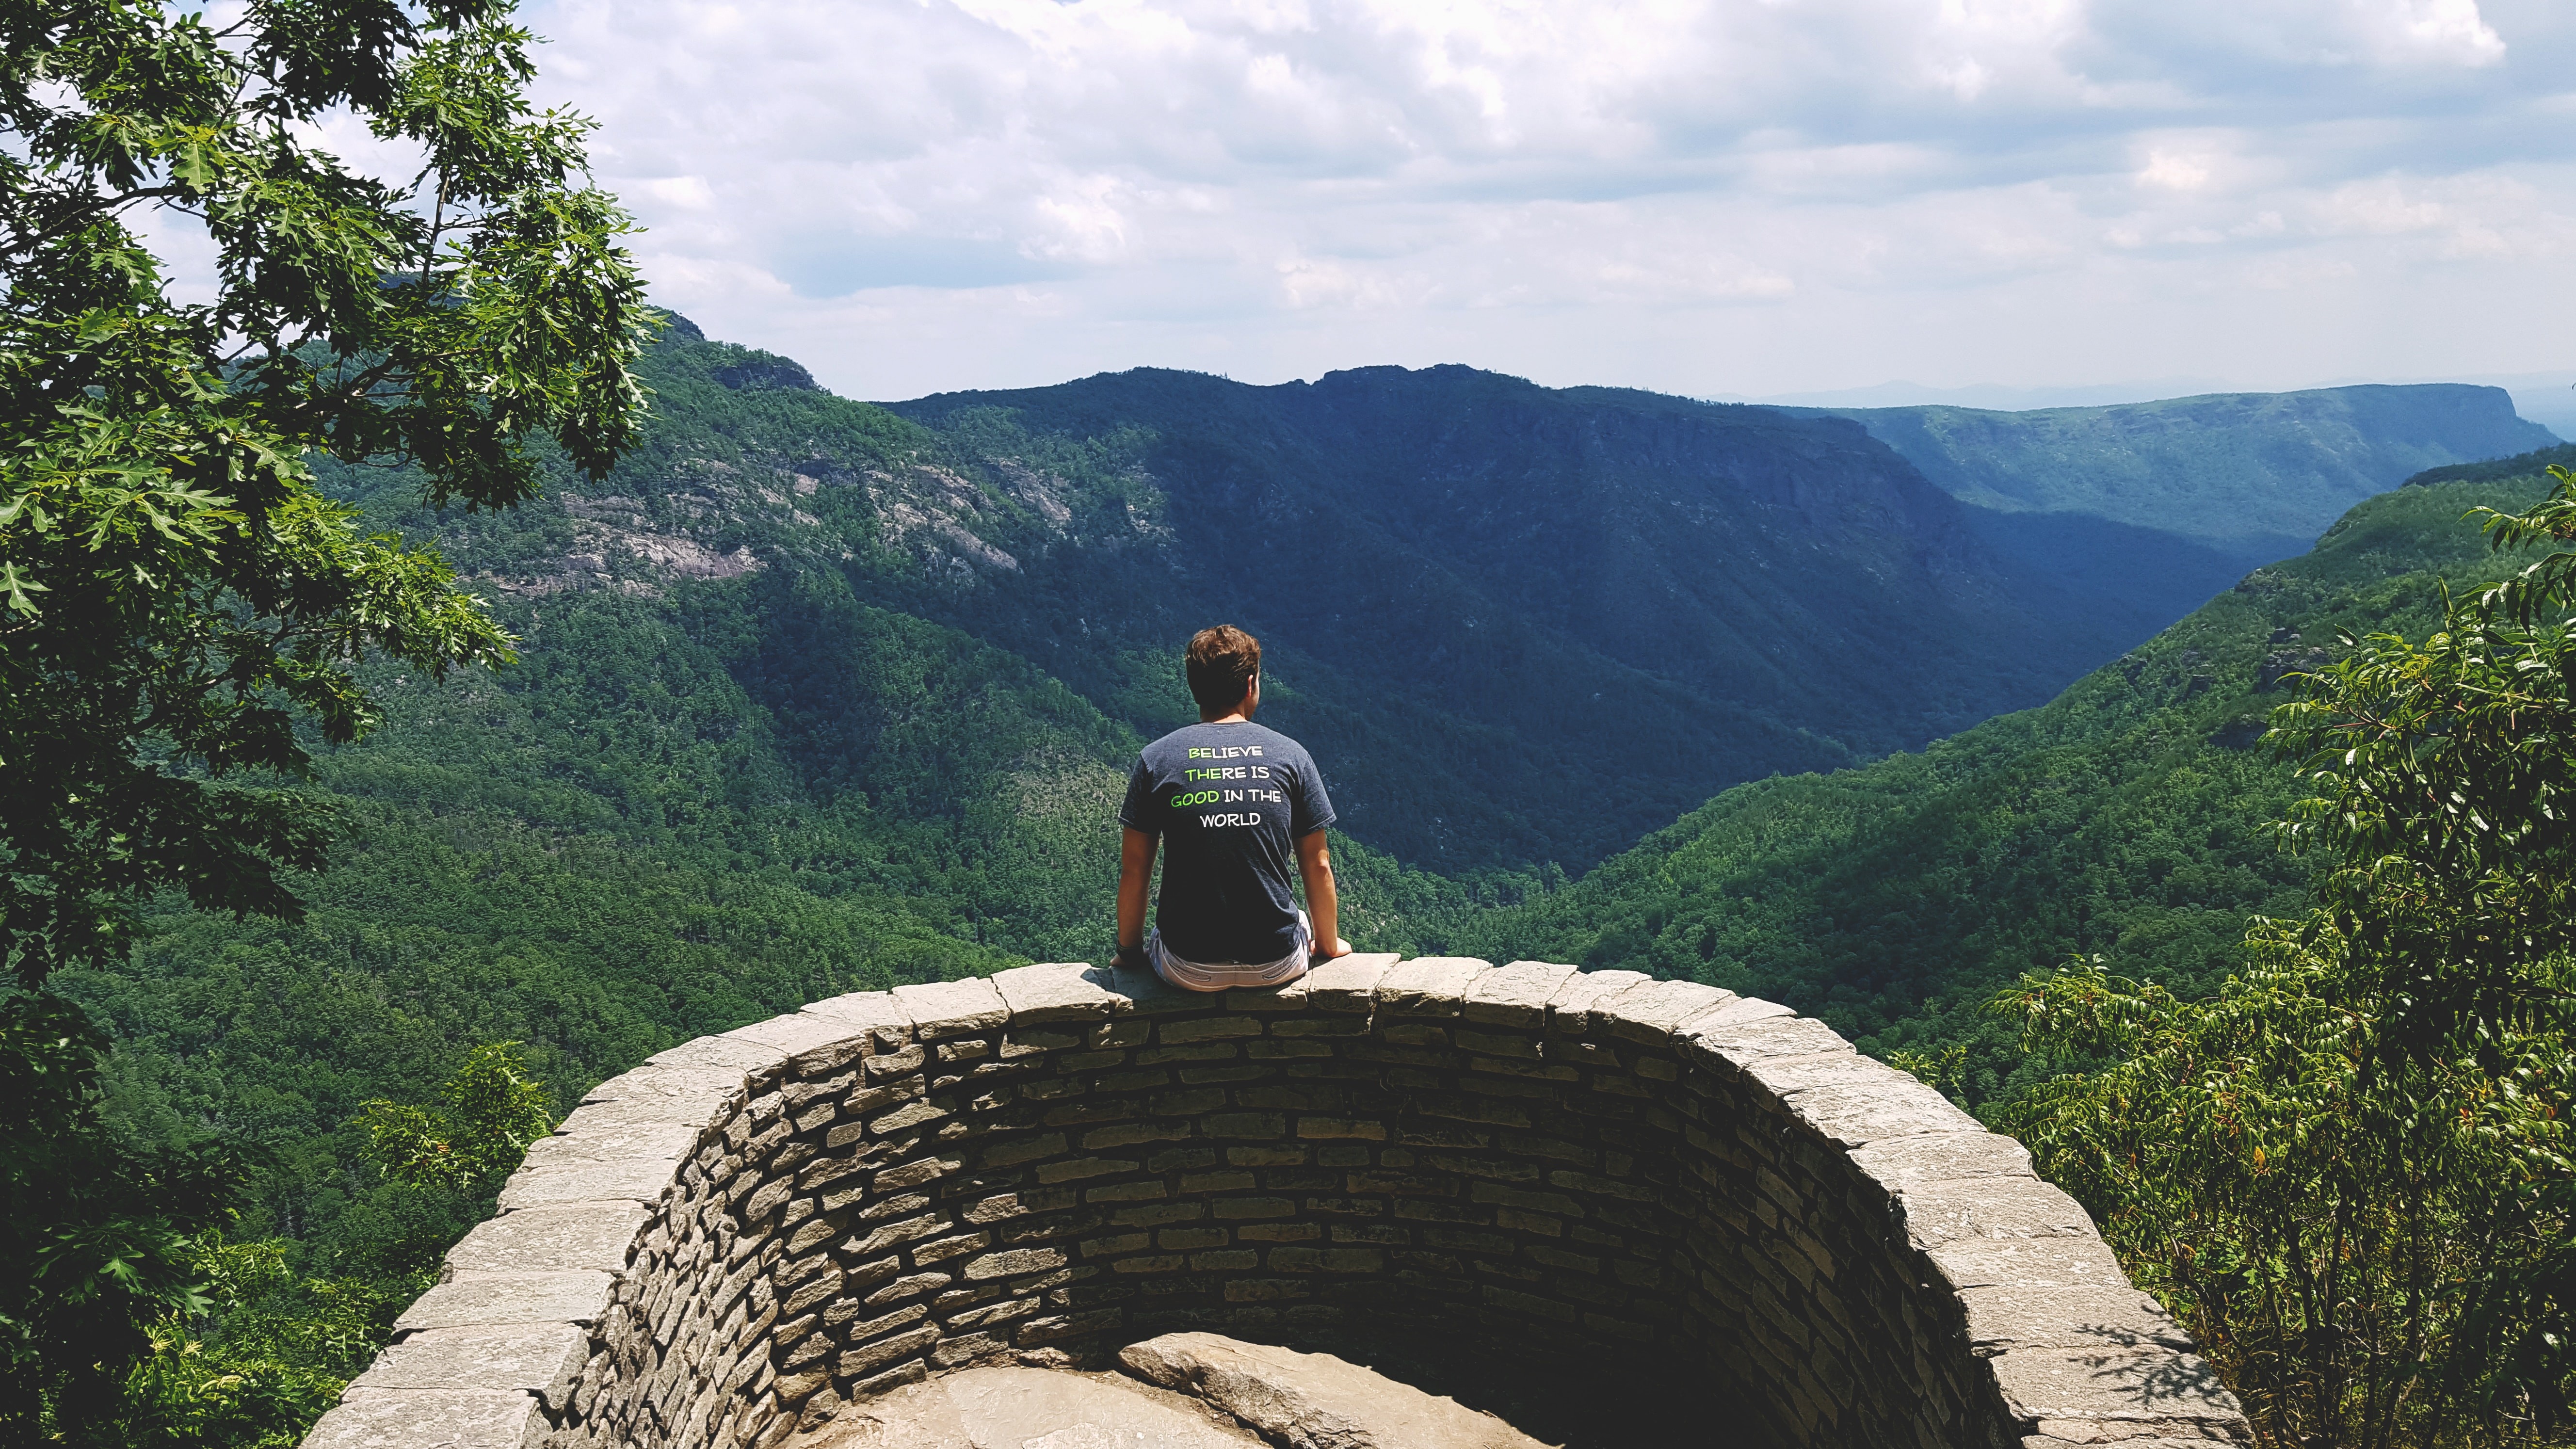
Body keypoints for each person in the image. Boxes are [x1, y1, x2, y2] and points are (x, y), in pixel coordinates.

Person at [1112, 625, 1352, 991]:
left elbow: (1135, 868)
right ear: (1251, 684)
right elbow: (1317, 865)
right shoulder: (1292, 756)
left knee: (1164, 934)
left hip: (1187, 967)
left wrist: (1128, 953)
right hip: (1277, 962)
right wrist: (1329, 946)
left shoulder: (1156, 760)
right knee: (1299, 921)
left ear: (1194, 687)